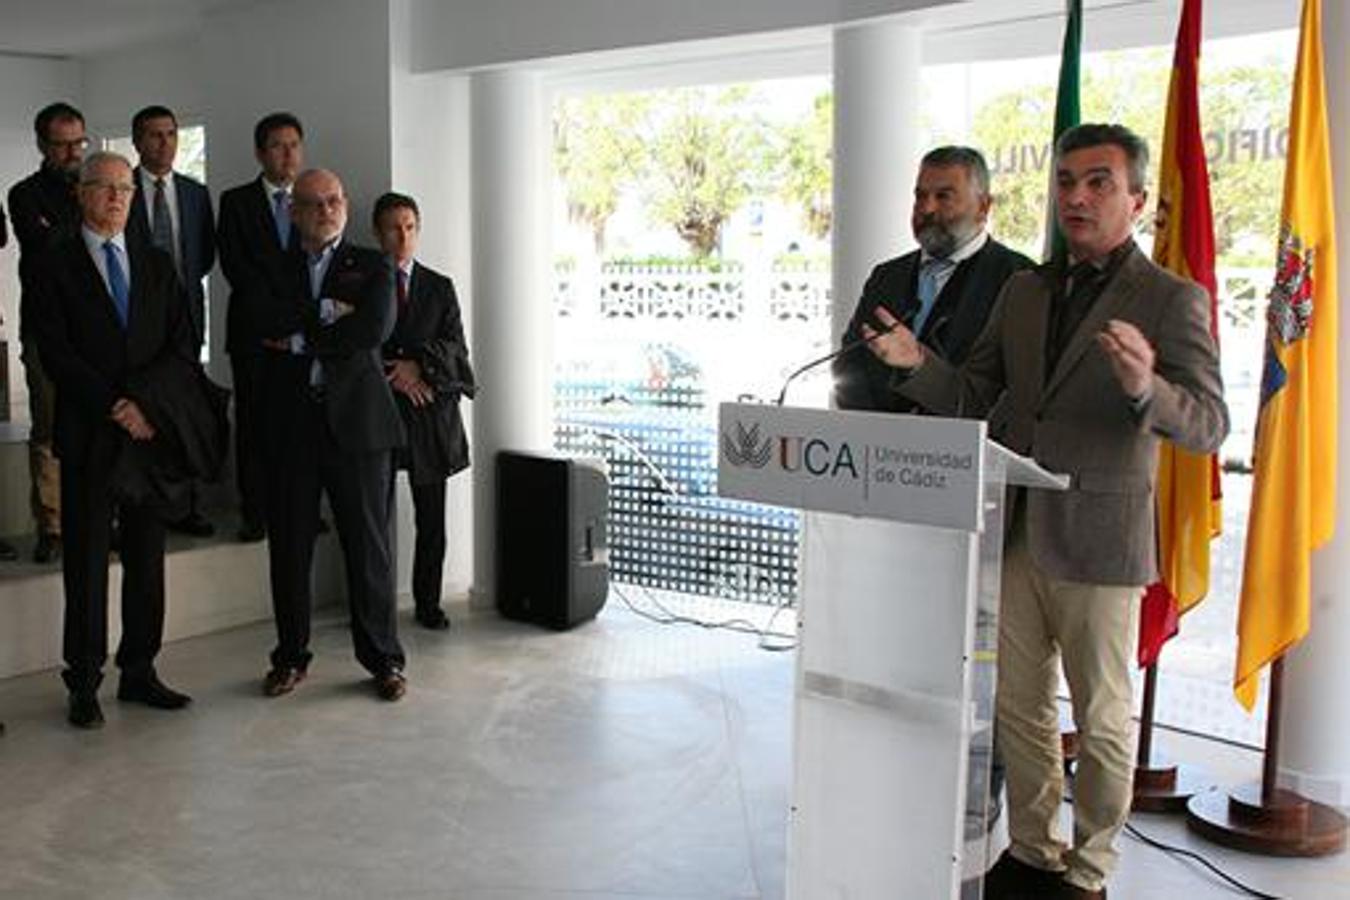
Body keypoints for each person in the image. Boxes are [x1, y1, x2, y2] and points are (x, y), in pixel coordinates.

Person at [863, 123, 1228, 900]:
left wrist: (1143, 388)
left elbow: (1206, 422)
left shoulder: (1171, 299)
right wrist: (917, 365)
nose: (1077, 196)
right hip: (1017, 527)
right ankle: (1034, 850)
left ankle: (1091, 870)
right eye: (1066, 181)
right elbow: (982, 396)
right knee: (1018, 708)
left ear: (1135, 199)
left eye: (1098, 182)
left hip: (1100, 541)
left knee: (1100, 722)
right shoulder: (1025, 290)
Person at [29, 152, 202, 728]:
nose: (118, 199)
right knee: (85, 563)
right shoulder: (53, 263)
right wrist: (113, 405)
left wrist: (146, 407)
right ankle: (83, 681)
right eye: (105, 188)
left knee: (148, 559)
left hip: (149, 433)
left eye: (125, 189)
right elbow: (56, 352)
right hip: (91, 433)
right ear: (81, 193)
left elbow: (181, 345)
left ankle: (140, 671)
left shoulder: (155, 263)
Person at [257, 168, 407, 702]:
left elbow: (372, 330)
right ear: (294, 212)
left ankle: (384, 660)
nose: (326, 211)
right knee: (291, 548)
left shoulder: (373, 264)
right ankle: (290, 658)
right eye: (314, 203)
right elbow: (263, 321)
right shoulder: (275, 266)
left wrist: (302, 339)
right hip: (294, 426)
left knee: (369, 548)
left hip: (359, 427)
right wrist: (328, 316)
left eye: (335, 201)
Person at [833, 145, 1032, 411]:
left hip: (964, 447)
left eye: (943, 197)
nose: (927, 208)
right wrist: (875, 434)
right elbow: (849, 365)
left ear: (983, 206)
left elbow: (1011, 391)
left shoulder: (1019, 279)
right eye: (920, 196)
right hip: (877, 445)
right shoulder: (887, 276)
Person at [373, 192, 475, 631]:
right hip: (378, 411)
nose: (403, 236)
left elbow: (457, 349)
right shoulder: (360, 280)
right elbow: (349, 342)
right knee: (372, 517)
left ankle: (428, 603)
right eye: (394, 227)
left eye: (410, 227)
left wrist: (420, 367)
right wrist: (394, 373)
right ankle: (373, 604)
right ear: (378, 232)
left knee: (431, 518)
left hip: (429, 412)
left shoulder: (440, 285)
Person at [127, 104, 218, 537]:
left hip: (187, 314)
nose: (164, 143)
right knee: (144, 406)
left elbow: (203, 254)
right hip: (138, 322)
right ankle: (139, 506)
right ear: (137, 142)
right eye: (154, 135)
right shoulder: (120, 189)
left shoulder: (194, 193)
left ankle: (186, 505)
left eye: (170, 134)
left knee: (185, 408)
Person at [217, 112, 304, 542]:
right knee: (253, 423)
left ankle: (297, 507)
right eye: (277, 145)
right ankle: (255, 510)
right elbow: (236, 267)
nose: (287, 154)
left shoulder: (313, 198)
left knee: (297, 424)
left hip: (302, 336)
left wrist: (293, 324)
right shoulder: (236, 201)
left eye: (293, 145)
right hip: (253, 332)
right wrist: (275, 318)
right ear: (259, 152)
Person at [8, 101, 88, 564]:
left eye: (79, 142)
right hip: (45, 326)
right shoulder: (24, 194)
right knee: (49, 424)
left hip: (96, 328)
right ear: (42, 146)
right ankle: (52, 525)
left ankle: (102, 515)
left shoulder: (98, 184)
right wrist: (80, 222)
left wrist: (71, 226)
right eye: (61, 145)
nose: (72, 153)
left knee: (99, 420)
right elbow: (46, 247)